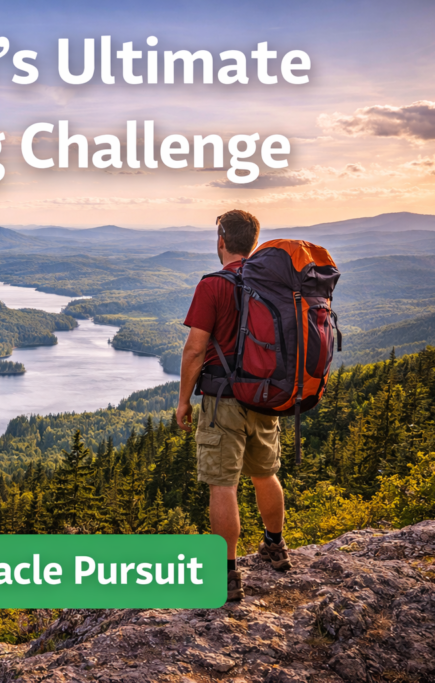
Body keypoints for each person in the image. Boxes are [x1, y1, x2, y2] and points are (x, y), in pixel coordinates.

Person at [175, 209, 292, 602]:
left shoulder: (213, 284)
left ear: (221, 241)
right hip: (266, 396)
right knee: (265, 473)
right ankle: (275, 546)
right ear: (254, 243)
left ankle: (226, 574)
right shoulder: (273, 283)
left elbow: (195, 350)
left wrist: (183, 401)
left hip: (222, 399)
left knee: (223, 484)